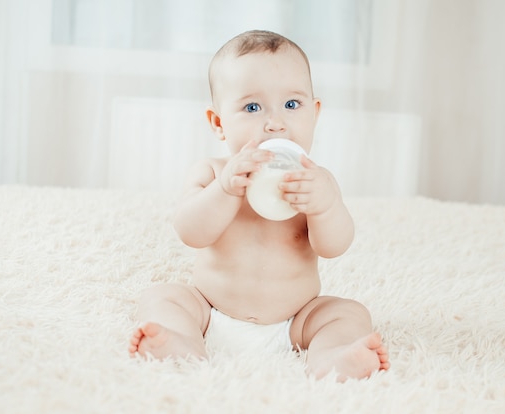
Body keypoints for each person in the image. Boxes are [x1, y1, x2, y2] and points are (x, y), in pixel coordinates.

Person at [128, 29, 389, 382]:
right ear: (219, 123)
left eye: (292, 105)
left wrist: (324, 208)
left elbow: (335, 246)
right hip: (211, 310)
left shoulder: (315, 181)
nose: (275, 122)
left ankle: (332, 357)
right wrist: (225, 189)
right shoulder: (213, 172)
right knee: (165, 297)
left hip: (295, 321)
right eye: (252, 107)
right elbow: (190, 232)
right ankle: (181, 342)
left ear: (314, 114)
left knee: (348, 312)